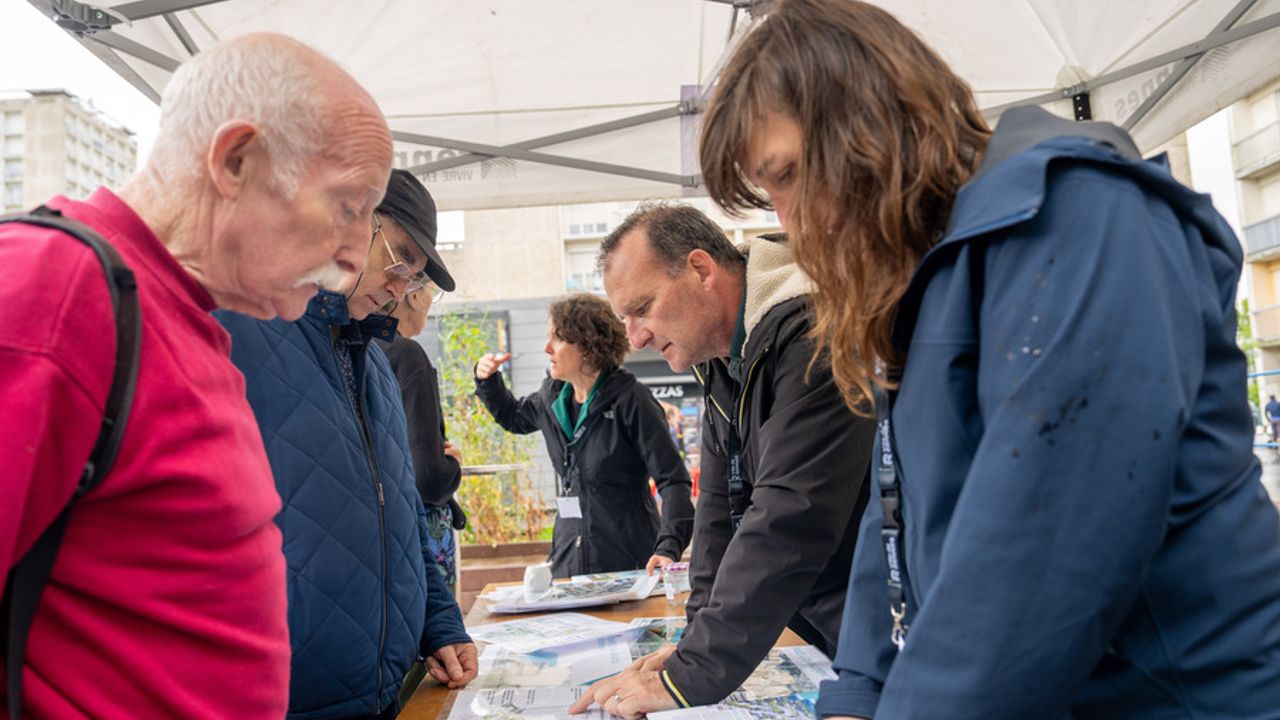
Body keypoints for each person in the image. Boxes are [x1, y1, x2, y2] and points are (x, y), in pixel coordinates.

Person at [698, 1, 1280, 718]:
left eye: (788, 176)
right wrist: (859, 693)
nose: (790, 222)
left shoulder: (1075, 215)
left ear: (871, 119)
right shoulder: (915, 281)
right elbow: (894, 525)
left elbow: (1036, 564)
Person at [0, 33, 385, 719]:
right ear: (235, 160)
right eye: (349, 207)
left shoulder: (184, 315)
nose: (357, 256)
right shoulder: (55, 287)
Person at [570, 205, 874, 718]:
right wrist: (690, 647)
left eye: (643, 308)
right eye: (625, 319)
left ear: (701, 269)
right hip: (829, 627)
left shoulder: (812, 333)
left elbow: (788, 517)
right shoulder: (722, 358)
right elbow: (717, 513)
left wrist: (691, 675)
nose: (635, 337)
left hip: (887, 626)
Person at [217, 169, 477, 719]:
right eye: (400, 259)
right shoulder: (235, 330)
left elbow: (402, 515)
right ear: (347, 221)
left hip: (382, 692)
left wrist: (439, 622)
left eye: (413, 276)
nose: (400, 287)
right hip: (280, 699)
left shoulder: (376, 364)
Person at [474, 293, 694, 578]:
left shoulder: (631, 400)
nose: (547, 348)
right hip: (568, 563)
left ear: (588, 346)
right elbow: (514, 418)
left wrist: (668, 548)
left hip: (628, 564)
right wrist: (488, 381)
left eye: (557, 339)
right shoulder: (551, 398)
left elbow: (673, 481)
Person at [376, 269, 466, 590]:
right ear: (414, 296)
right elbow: (428, 477)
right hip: (419, 537)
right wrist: (452, 466)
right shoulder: (406, 355)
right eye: (432, 293)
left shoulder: (361, 348)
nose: (430, 302)